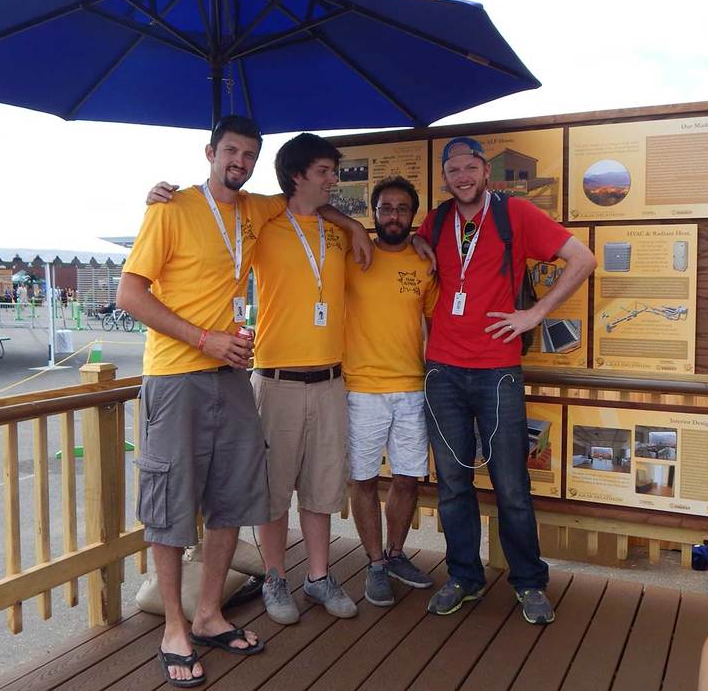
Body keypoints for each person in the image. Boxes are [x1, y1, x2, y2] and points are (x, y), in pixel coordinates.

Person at [126, 118, 371, 687]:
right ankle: (175, 629)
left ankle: (209, 614)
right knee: (170, 503)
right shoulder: (171, 208)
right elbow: (129, 294)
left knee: (232, 500)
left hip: (232, 376)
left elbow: (309, 199)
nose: (240, 160)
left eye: (249, 154)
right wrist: (203, 338)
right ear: (210, 152)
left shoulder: (255, 210)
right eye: (231, 151)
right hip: (176, 373)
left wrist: (351, 221)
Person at [415, 137, 596, 624]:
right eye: (453, 170)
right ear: (446, 177)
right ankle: (463, 577)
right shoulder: (436, 220)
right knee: (453, 483)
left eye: (470, 167)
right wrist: (418, 243)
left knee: (511, 484)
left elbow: (583, 259)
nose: (462, 177)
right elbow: (416, 242)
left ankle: (530, 582)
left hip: (497, 371)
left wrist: (535, 313)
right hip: (442, 371)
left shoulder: (513, 213)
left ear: (485, 172)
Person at [249, 133, 358, 625]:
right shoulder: (264, 223)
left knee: (320, 488)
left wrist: (348, 219)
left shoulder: (337, 229)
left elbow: (365, 253)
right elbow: (218, 217)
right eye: (324, 171)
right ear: (297, 175)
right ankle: (275, 577)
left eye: (333, 171)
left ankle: (318, 577)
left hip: (331, 380)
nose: (332, 179)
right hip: (276, 380)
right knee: (272, 491)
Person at [345, 176, 439, 607]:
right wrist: (350, 228)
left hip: (411, 387)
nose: (394, 216)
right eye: (386, 208)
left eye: (402, 209)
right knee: (363, 479)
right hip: (360, 388)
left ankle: (396, 553)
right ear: (374, 213)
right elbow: (323, 212)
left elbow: (437, 323)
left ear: (413, 216)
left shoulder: (425, 263)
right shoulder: (351, 253)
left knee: (407, 476)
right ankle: (375, 564)